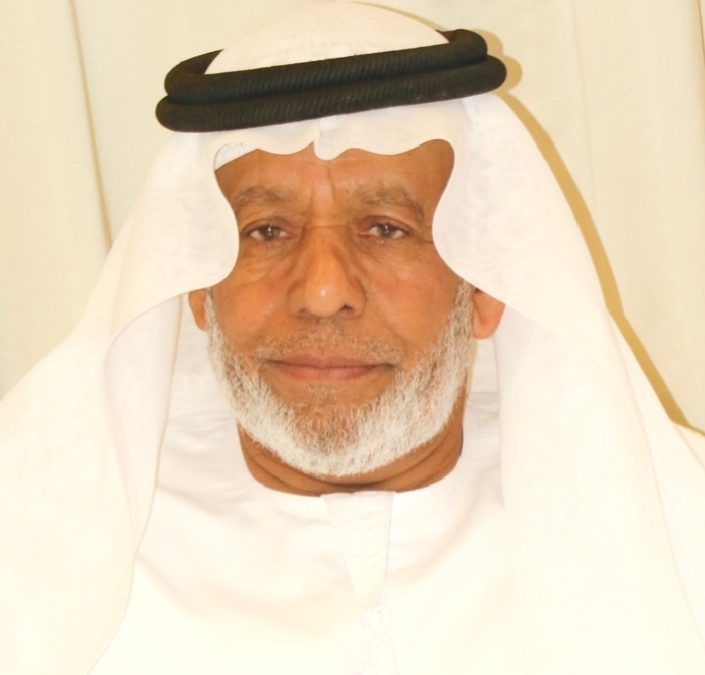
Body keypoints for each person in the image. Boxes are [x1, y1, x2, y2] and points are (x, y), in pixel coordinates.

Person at [2, 3, 705, 674]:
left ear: (486, 287)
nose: (322, 291)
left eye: (386, 228)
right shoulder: (33, 540)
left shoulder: (677, 526)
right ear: (197, 288)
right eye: (266, 231)